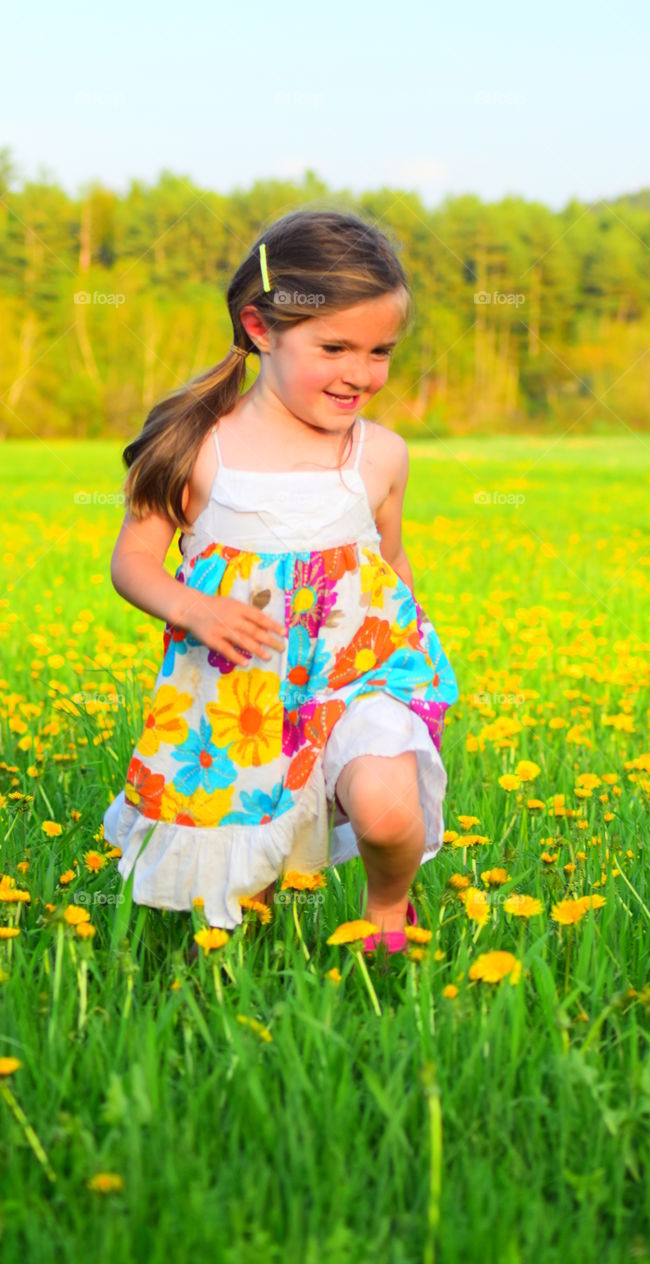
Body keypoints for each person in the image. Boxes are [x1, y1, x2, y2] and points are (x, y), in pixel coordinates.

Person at [102, 208, 459, 956]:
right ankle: (252, 962)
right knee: (245, 876)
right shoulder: (195, 446)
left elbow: (388, 564)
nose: (361, 374)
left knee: (390, 812)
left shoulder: (381, 454)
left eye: (381, 351)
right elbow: (132, 561)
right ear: (260, 329)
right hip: (244, 696)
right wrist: (189, 605)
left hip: (360, 674)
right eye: (335, 347)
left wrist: (416, 655)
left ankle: (388, 907)